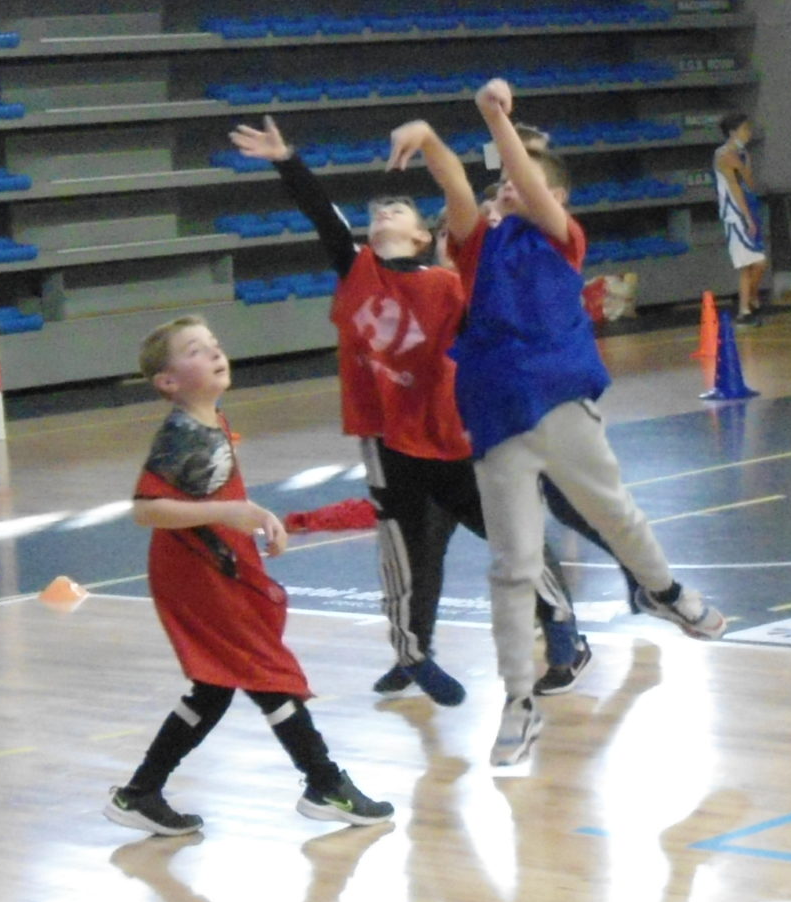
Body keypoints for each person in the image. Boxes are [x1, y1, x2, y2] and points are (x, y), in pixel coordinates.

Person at [390, 79, 726, 771]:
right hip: (496, 419)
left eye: (522, 182)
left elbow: (522, 182)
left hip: (562, 401)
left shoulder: (560, 238)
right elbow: (459, 189)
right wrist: (428, 139)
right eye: (501, 185)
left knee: (615, 513)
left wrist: (495, 121)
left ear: (554, 195)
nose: (505, 189)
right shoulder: (479, 245)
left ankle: (665, 591)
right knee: (513, 567)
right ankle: (518, 702)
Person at [234, 116, 591, 708]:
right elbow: (324, 217)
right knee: (409, 555)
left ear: (426, 238)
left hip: (454, 432)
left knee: (512, 532)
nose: (384, 214)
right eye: (378, 212)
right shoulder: (359, 272)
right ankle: (412, 652)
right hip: (389, 437)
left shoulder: (448, 286)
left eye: (399, 210)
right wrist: (286, 159)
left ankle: (559, 625)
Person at [108, 315, 395, 838]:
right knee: (266, 669)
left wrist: (259, 515)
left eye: (215, 344)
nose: (215, 353)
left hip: (212, 560)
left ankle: (141, 793)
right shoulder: (181, 432)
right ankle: (324, 782)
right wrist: (225, 517)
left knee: (216, 685)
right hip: (197, 571)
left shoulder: (212, 419)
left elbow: (219, 499)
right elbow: (146, 509)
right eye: (196, 350)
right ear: (168, 382)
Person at [713, 112, 767, 324]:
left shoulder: (744, 154)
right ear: (733, 132)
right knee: (755, 262)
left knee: (754, 264)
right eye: (745, 129)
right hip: (735, 214)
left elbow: (750, 184)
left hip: (750, 208)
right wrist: (746, 217)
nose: (749, 133)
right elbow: (734, 189)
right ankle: (746, 307)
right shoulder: (722, 155)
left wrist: (743, 167)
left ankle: (747, 305)